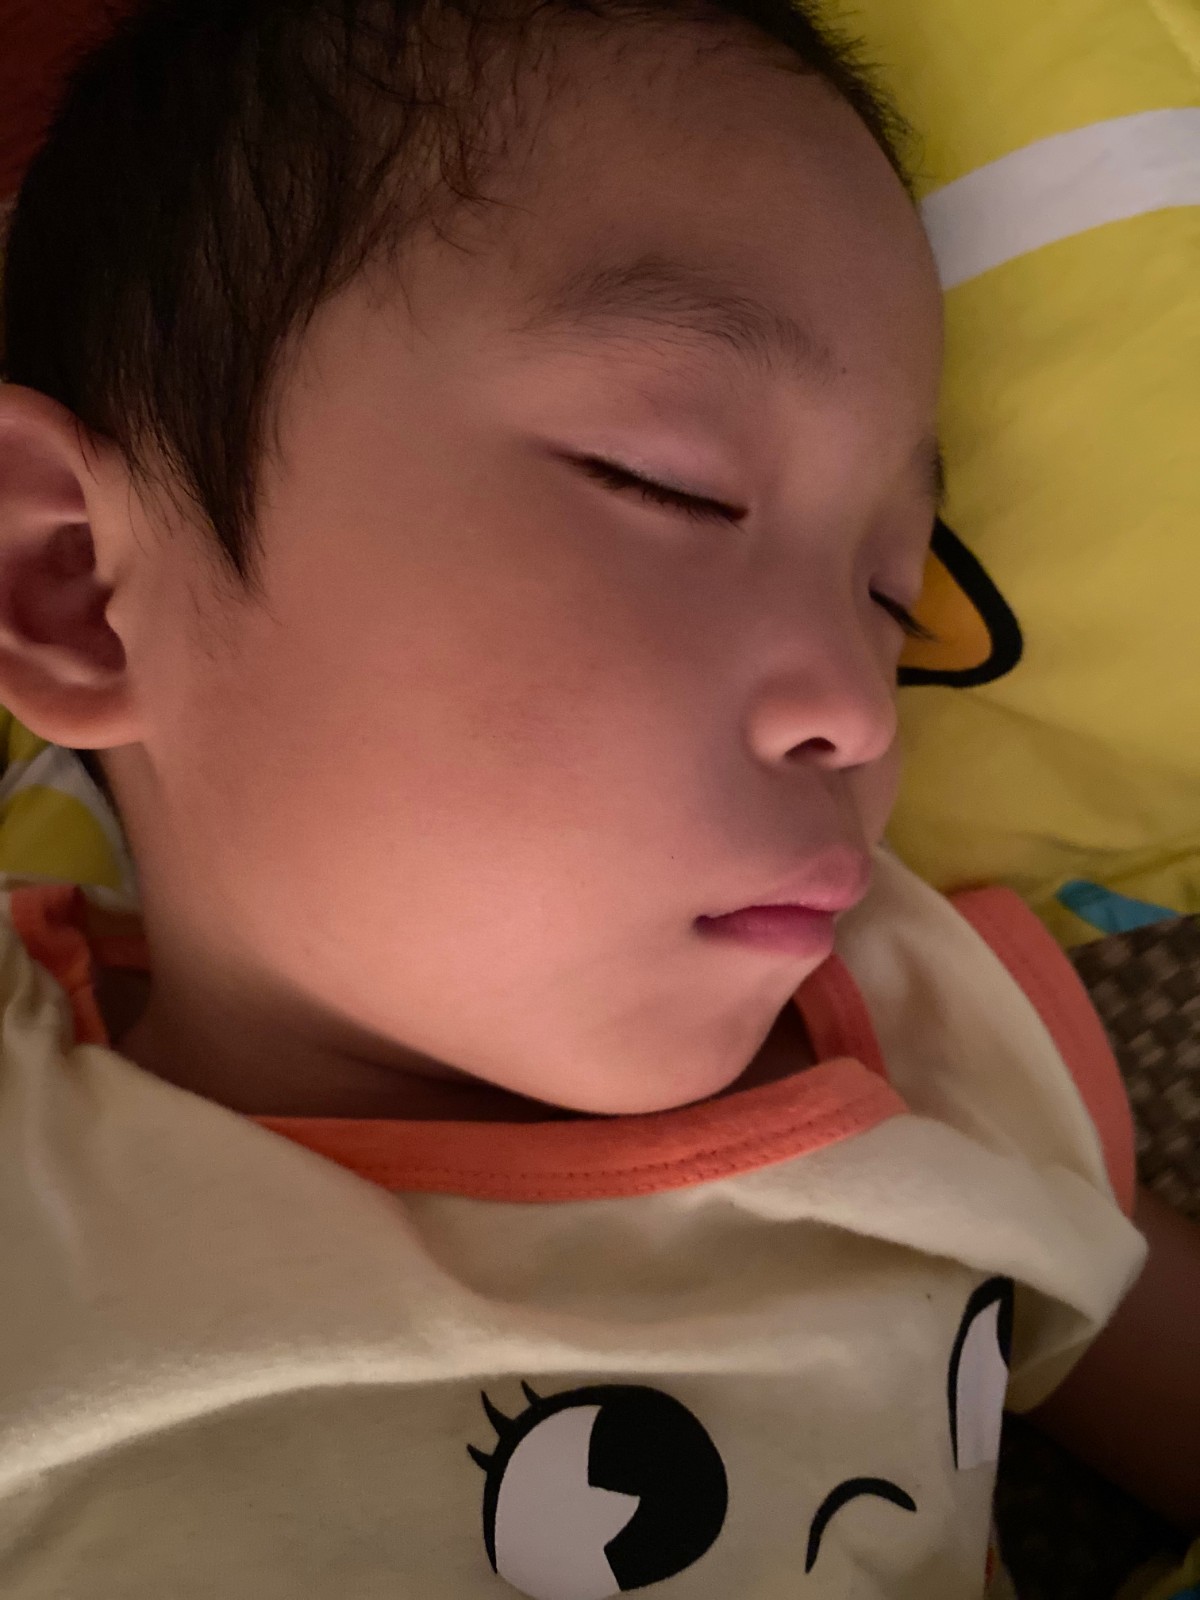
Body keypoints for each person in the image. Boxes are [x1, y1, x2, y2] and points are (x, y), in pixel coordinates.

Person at [0, 0, 1195, 1593]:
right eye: (670, 484)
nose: (858, 707)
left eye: (889, 594)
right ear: (79, 585)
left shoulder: (916, 1051)